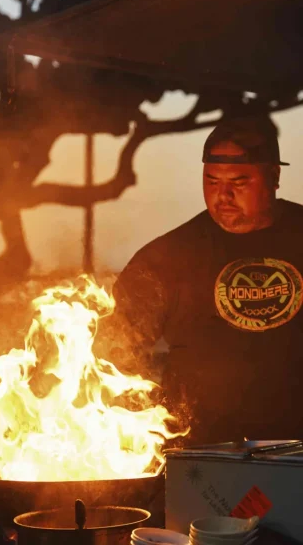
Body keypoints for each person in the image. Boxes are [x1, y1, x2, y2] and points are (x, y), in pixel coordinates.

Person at [101, 115, 303, 444]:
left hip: (295, 454)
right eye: (211, 181)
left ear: (274, 176)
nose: (223, 196)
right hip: (200, 455)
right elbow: (114, 347)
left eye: (238, 183)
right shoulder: (169, 256)